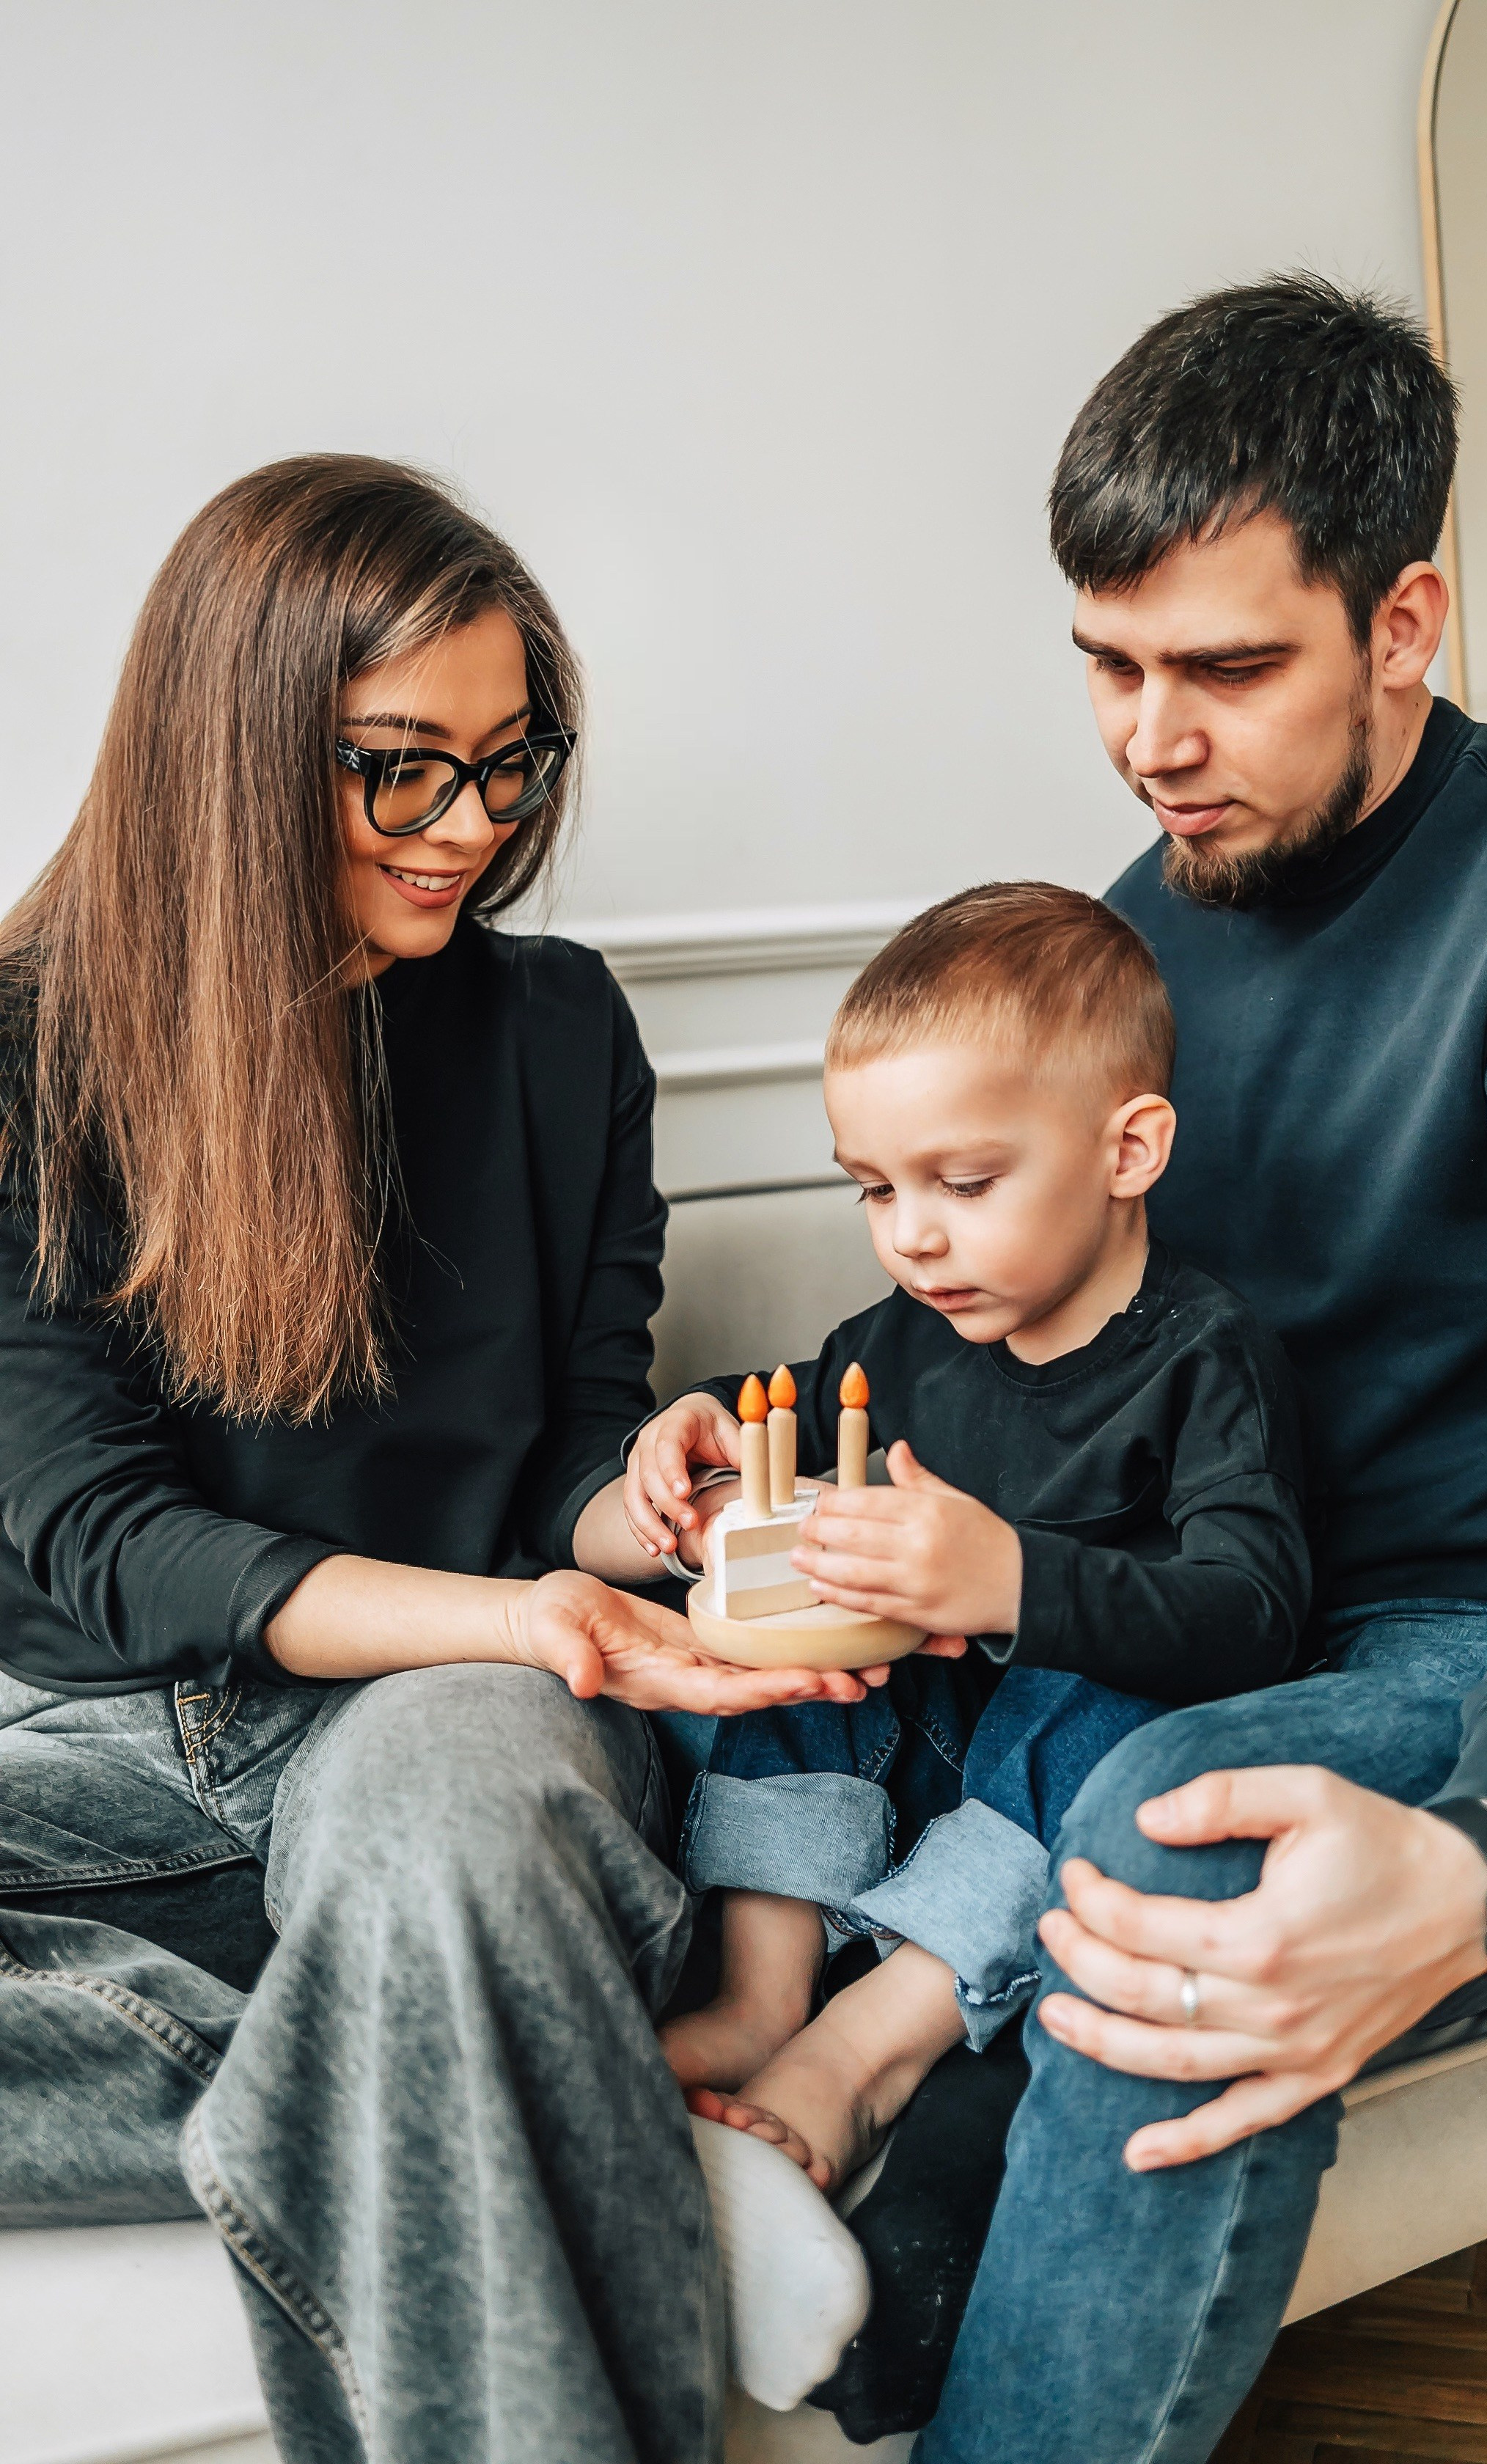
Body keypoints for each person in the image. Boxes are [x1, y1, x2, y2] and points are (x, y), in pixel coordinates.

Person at [0, 453, 875, 2464]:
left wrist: (636, 1497)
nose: (472, 828)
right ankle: (522, 2072)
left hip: (459, 1714)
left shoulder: (566, 1033)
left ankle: (471, 2020)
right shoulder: (27, 1050)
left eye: (510, 764)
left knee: (455, 1855)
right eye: (404, 767)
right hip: (114, 1736)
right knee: (460, 1993)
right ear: (233, 754)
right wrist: (534, 1602)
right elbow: (109, 1542)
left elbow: (569, 1435)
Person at [912, 276, 1487, 2463]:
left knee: (1172, 1833)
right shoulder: (1129, 932)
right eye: (1113, 667)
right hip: (1244, 1604)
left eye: (1229, 669)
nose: (1153, 737)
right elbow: (1079, 1355)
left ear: (1404, 622)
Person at [620, 883, 1310, 2195]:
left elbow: (1255, 1613)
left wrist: (1011, 1582)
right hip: (900, 1752)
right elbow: (783, 1424)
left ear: (1130, 1150)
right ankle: (764, 1995)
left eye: (966, 1182)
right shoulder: (904, 1334)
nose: (913, 1235)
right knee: (796, 1611)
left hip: (1036, 1799)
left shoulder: (1205, 1359)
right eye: (875, 1189)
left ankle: (869, 2048)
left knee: (1096, 1702)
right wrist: (690, 1446)